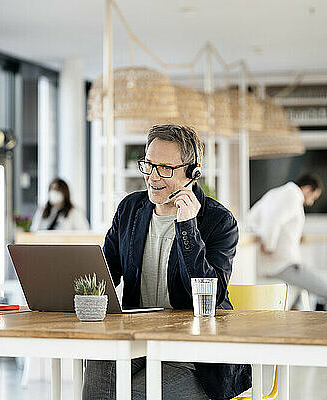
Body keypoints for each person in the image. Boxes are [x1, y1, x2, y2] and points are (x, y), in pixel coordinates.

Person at [82, 124, 251, 400]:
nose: (153, 177)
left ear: (193, 172)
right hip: (137, 341)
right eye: (149, 165)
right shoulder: (130, 209)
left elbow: (209, 292)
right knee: (98, 379)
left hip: (195, 355)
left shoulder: (219, 222)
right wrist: (79, 287)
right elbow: (106, 273)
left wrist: (187, 227)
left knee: (133, 395)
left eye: (165, 168)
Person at [248, 173, 325, 309]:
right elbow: (272, 221)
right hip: (282, 264)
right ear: (307, 189)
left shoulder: (276, 193)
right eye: (313, 197)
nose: (311, 202)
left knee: (300, 295)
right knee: (324, 288)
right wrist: (268, 246)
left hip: (279, 263)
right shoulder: (292, 195)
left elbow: (252, 217)